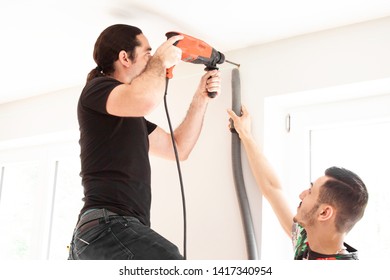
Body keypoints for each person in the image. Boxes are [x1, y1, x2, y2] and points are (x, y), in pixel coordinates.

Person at [68, 24, 221, 260]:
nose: (152, 59)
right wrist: (160, 60)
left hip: (110, 230)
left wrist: (200, 98)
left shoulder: (131, 117)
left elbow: (178, 148)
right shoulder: (97, 90)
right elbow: (145, 99)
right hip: (107, 226)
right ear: (124, 58)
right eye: (147, 53)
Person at [227, 105, 368, 260]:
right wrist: (245, 134)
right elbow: (272, 189)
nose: (301, 194)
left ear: (324, 213)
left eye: (310, 191)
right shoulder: (306, 239)